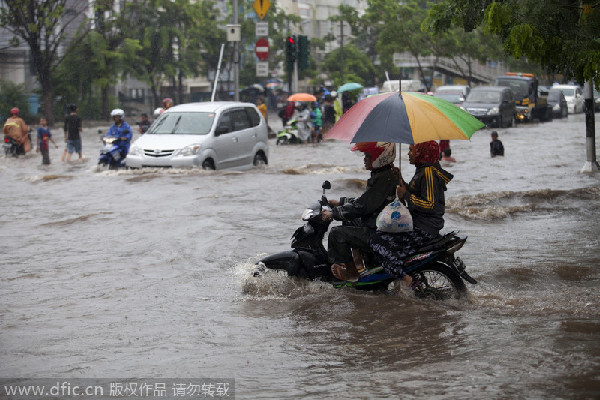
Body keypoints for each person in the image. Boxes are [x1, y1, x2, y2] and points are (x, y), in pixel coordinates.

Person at [370, 141, 453, 288]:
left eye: (411, 150)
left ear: (422, 152)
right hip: (421, 223)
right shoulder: (423, 169)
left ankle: (405, 277)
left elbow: (430, 204)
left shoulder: (428, 172)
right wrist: (401, 179)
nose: (409, 153)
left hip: (424, 227)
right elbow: (417, 194)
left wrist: (406, 195)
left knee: (377, 240)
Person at [321, 142, 398, 282]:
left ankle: (351, 272)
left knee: (336, 234)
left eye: (368, 156)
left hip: (378, 231)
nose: (365, 159)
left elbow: (363, 207)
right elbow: (366, 200)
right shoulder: (382, 174)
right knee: (349, 219)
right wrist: (341, 202)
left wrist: (334, 213)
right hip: (378, 223)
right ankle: (359, 264)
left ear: (380, 158)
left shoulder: (383, 178)